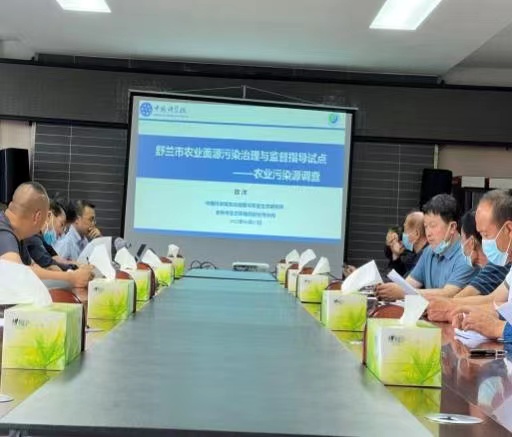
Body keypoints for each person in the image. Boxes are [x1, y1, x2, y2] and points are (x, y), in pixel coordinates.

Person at [376, 194, 476, 301]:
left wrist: (404, 293)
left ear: (452, 227)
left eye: (433, 226)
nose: (428, 233)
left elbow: (448, 294)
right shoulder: (429, 251)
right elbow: (408, 284)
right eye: (425, 226)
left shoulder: (467, 255)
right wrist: (385, 289)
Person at [0, 183, 92, 288]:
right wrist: (71, 278)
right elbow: (15, 271)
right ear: (38, 216)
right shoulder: (4, 233)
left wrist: (70, 276)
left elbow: (33, 267)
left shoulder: (18, 235)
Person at [427, 207, 510, 321]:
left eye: (485, 234)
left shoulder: (498, 264)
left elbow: (458, 296)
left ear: (471, 242)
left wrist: (447, 306)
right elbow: (493, 299)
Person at [25, 200, 78, 271]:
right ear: (49, 216)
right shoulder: (31, 237)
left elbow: (58, 259)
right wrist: (74, 271)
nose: (61, 233)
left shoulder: (41, 238)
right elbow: (50, 266)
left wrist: (79, 266)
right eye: (61, 224)